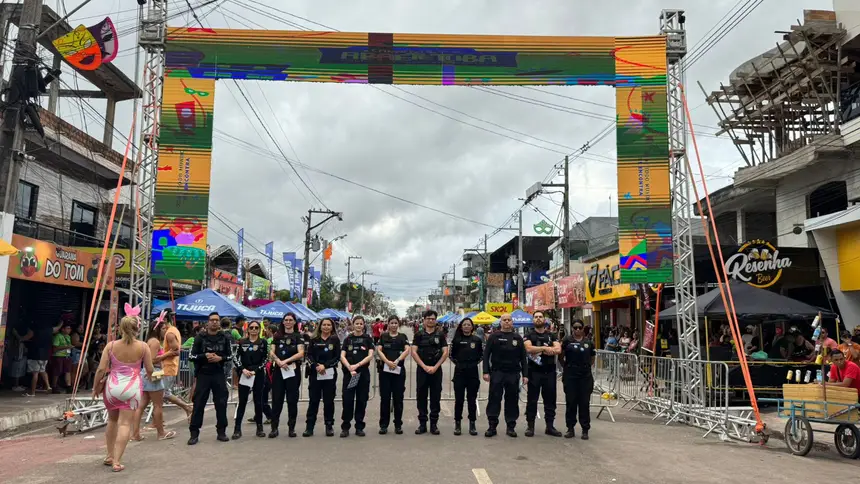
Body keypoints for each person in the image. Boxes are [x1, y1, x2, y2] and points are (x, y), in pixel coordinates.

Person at [94, 311, 154, 472]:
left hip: (112, 388)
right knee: (125, 423)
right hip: (132, 388)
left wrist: (95, 388)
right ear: (137, 329)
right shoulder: (143, 347)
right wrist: (150, 376)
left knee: (112, 421)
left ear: (120, 329)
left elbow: (101, 369)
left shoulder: (111, 346)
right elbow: (149, 369)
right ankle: (117, 461)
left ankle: (109, 455)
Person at [188, 312, 233, 445]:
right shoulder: (199, 338)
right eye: (212, 320)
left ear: (219, 322)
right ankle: (194, 433)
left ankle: (221, 431)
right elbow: (191, 356)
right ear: (208, 322)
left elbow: (230, 356)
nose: (214, 322)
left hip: (219, 374)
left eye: (217, 320)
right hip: (203, 374)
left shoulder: (224, 337)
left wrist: (220, 358)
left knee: (221, 403)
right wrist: (205, 356)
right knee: (198, 404)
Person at [483, 313, 527, 438]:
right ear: (500, 322)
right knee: (494, 399)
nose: (507, 322)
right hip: (497, 372)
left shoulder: (517, 338)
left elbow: (523, 358)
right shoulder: (494, 337)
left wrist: (525, 375)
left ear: (512, 322)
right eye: (504, 320)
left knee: (512, 400)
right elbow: (486, 355)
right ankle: (492, 426)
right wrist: (486, 371)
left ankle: (511, 426)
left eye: (509, 320)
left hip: (513, 373)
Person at [131, 322, 175, 442]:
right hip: (152, 374)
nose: (166, 331)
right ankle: (161, 433)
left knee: (141, 405)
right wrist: (168, 354)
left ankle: (135, 434)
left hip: (146, 374)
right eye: (164, 328)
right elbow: (152, 359)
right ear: (157, 329)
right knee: (157, 405)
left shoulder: (149, 341)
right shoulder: (155, 342)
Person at [524, 310, 562, 437]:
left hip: (549, 372)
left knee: (550, 400)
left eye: (541, 317)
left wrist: (540, 350)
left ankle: (550, 426)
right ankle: (530, 426)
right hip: (534, 372)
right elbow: (528, 348)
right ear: (533, 320)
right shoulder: (529, 335)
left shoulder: (552, 335)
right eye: (536, 317)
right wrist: (545, 348)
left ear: (544, 320)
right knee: (532, 400)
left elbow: (558, 349)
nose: (538, 319)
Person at [411, 309, 449, 435]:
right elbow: (414, 352)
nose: (431, 320)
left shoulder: (440, 335)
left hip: (436, 370)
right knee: (421, 397)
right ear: (424, 320)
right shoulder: (419, 335)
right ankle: (422, 424)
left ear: (435, 320)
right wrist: (423, 366)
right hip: (422, 370)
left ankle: (434, 424)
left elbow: (445, 353)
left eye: (433, 318)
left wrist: (435, 367)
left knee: (435, 397)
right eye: (428, 318)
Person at [270, 313, 305, 438]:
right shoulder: (277, 336)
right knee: (276, 400)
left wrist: (286, 361)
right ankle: (274, 428)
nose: (288, 322)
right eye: (286, 320)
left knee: (292, 400)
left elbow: (301, 353)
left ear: (295, 322)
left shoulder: (298, 336)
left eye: (291, 320)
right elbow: (272, 351)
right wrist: (278, 361)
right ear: (283, 322)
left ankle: (291, 428)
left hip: (292, 370)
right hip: (279, 371)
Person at [304, 317, 341, 437]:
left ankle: (329, 426)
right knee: (313, 401)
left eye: (328, 325)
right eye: (324, 325)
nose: (326, 327)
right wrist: (316, 366)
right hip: (315, 374)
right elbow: (308, 355)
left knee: (329, 402)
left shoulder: (335, 339)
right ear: (320, 326)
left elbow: (337, 357)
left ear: (332, 327)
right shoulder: (313, 339)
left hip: (329, 374)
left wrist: (325, 366)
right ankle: (309, 427)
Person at [232, 321, 268, 440]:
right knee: (242, 402)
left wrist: (256, 371)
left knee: (258, 401)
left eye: (256, 327)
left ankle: (260, 428)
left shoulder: (263, 342)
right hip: (245, 374)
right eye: (251, 327)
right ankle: (237, 429)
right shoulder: (242, 342)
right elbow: (236, 357)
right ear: (248, 329)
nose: (253, 329)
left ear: (259, 330)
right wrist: (243, 369)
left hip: (257, 374)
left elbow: (265, 359)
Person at [339, 315, 374, 437]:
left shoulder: (367, 339)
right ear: (352, 325)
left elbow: (370, 355)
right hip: (350, 374)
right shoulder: (348, 339)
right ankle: (345, 427)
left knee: (361, 400)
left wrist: (357, 365)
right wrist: (350, 367)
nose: (359, 325)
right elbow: (342, 355)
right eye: (356, 323)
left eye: (361, 323)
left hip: (362, 374)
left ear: (364, 325)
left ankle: (359, 426)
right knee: (348, 400)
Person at [560, 319, 595, 440]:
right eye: (575, 327)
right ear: (572, 329)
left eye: (580, 327)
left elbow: (592, 358)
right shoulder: (567, 340)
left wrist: (585, 367)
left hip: (585, 376)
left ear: (583, 328)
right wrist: (567, 367)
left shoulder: (588, 342)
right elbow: (561, 356)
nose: (577, 330)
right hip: (571, 376)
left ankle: (585, 429)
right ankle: (570, 428)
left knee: (584, 403)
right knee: (571, 402)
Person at [377, 315, 410, 435]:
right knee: (385, 399)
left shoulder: (403, 337)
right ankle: (383, 425)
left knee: (398, 399)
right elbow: (379, 350)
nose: (394, 325)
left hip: (398, 371)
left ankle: (398, 425)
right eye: (392, 323)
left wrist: (396, 361)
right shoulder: (383, 336)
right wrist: (387, 361)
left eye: (396, 323)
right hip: (385, 371)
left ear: (398, 324)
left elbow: (407, 350)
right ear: (388, 324)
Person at [450, 317, 482, 436]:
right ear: (461, 326)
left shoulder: (477, 340)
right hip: (459, 373)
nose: (467, 327)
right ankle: (457, 424)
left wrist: (472, 364)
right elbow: (451, 355)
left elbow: (481, 355)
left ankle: (472, 424)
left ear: (472, 326)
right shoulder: (456, 340)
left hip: (473, 373)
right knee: (459, 400)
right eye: (464, 325)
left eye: (469, 325)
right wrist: (459, 364)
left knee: (472, 400)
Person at [159, 309, 193, 418]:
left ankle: (187, 407)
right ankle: (157, 421)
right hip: (166, 367)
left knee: (162, 393)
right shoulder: (172, 331)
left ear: (164, 319)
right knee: (159, 393)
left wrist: (161, 356)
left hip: (168, 368)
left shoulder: (170, 333)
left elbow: (176, 351)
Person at [50, 323, 74, 393]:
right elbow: (55, 348)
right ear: (62, 329)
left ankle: (68, 387)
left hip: (67, 356)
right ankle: (54, 387)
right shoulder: (58, 336)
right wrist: (67, 347)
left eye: (70, 328)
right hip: (58, 356)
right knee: (57, 371)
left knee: (68, 371)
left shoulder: (68, 337)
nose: (69, 330)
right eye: (68, 328)